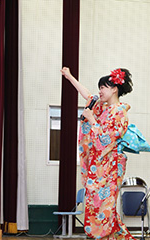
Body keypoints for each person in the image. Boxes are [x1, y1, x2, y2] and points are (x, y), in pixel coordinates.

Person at [61, 67, 136, 239]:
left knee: (105, 209)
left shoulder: (120, 112)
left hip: (111, 165)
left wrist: (92, 120)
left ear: (114, 89)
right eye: (100, 87)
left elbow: (106, 141)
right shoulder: (102, 107)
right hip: (99, 165)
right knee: (97, 206)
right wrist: (70, 76)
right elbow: (87, 95)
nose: (100, 91)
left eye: (103, 87)